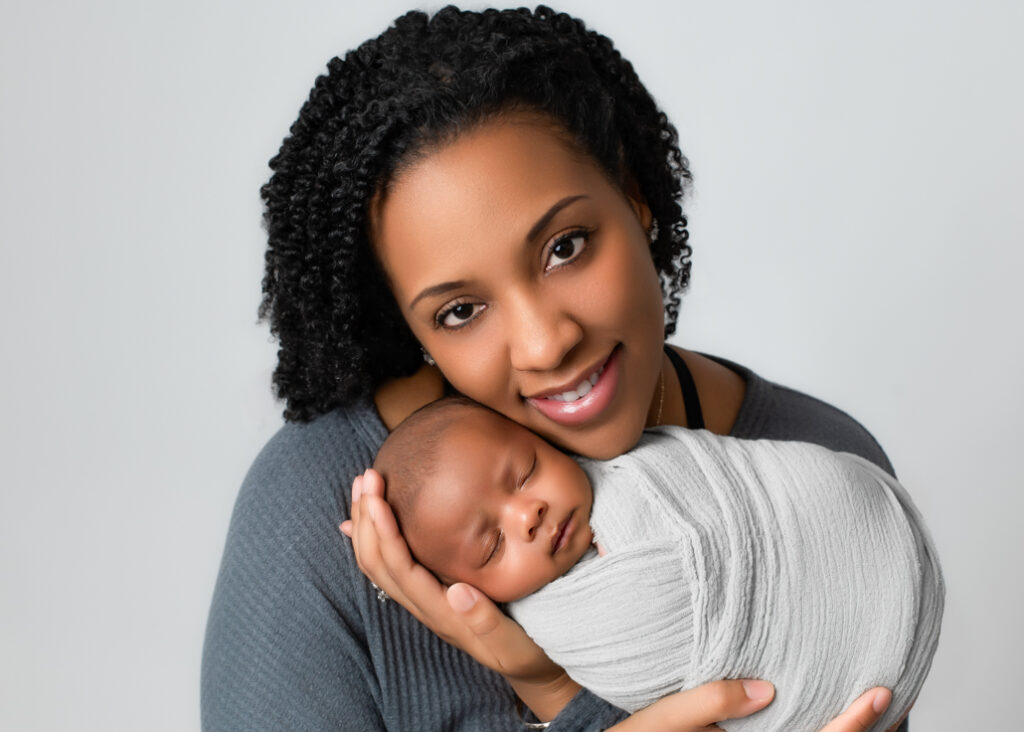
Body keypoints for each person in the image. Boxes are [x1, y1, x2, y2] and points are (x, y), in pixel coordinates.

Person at [202, 6, 912, 730]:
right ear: (409, 329)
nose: (545, 344)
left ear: (636, 200)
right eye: (458, 312)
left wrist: (548, 684)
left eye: (565, 247)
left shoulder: (825, 467)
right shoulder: (315, 513)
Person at [367, 396, 941, 730]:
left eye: (525, 472)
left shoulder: (632, 463)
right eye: (491, 546)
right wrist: (548, 685)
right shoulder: (559, 619)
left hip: (890, 560)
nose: (529, 515)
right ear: (469, 590)